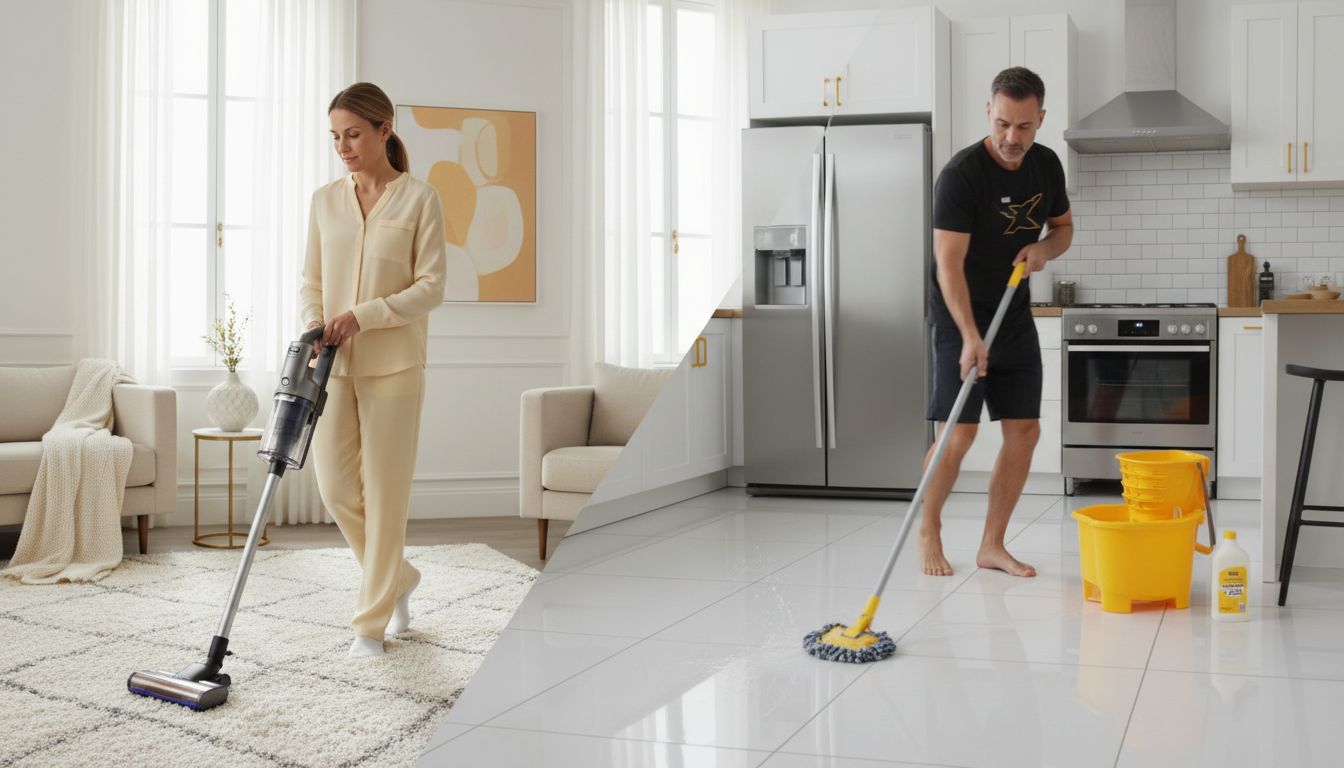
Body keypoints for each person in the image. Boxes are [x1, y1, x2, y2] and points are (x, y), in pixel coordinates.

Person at [301, 82, 447, 656]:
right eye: (335, 136)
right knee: (335, 488)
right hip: (332, 367)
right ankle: (399, 579)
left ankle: (370, 623)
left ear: (385, 129)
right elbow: (311, 282)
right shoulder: (323, 200)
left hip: (396, 367)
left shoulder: (420, 199)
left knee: (386, 494)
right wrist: (316, 325)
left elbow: (431, 287)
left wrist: (364, 315)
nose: (343, 146)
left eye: (353, 134)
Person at [921, 66, 1073, 578]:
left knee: (1024, 431)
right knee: (957, 437)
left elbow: (1064, 229)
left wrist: (1043, 248)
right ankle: (929, 528)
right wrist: (967, 336)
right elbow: (948, 263)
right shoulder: (962, 175)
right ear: (989, 110)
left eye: (1024, 127)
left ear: (1041, 119)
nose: (1012, 138)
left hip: (1013, 316)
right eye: (1003, 123)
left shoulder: (1047, 166)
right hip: (960, 315)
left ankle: (991, 545)